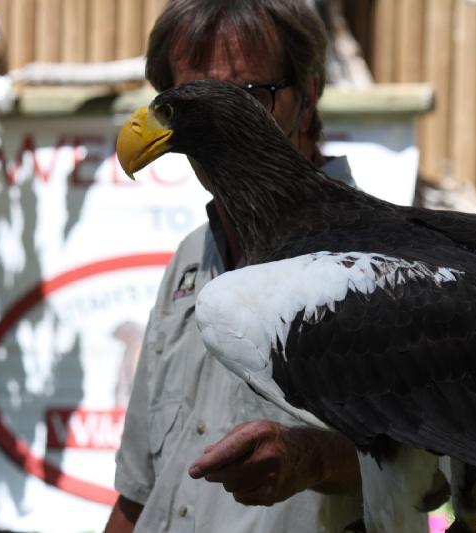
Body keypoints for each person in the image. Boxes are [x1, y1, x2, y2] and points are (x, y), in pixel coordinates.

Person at [104, 1, 366, 531]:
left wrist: (314, 459)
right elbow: (138, 497)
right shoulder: (188, 262)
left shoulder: (371, 267)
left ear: (307, 97)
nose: (220, 122)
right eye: (191, 101)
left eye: (247, 97)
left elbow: (436, 471)